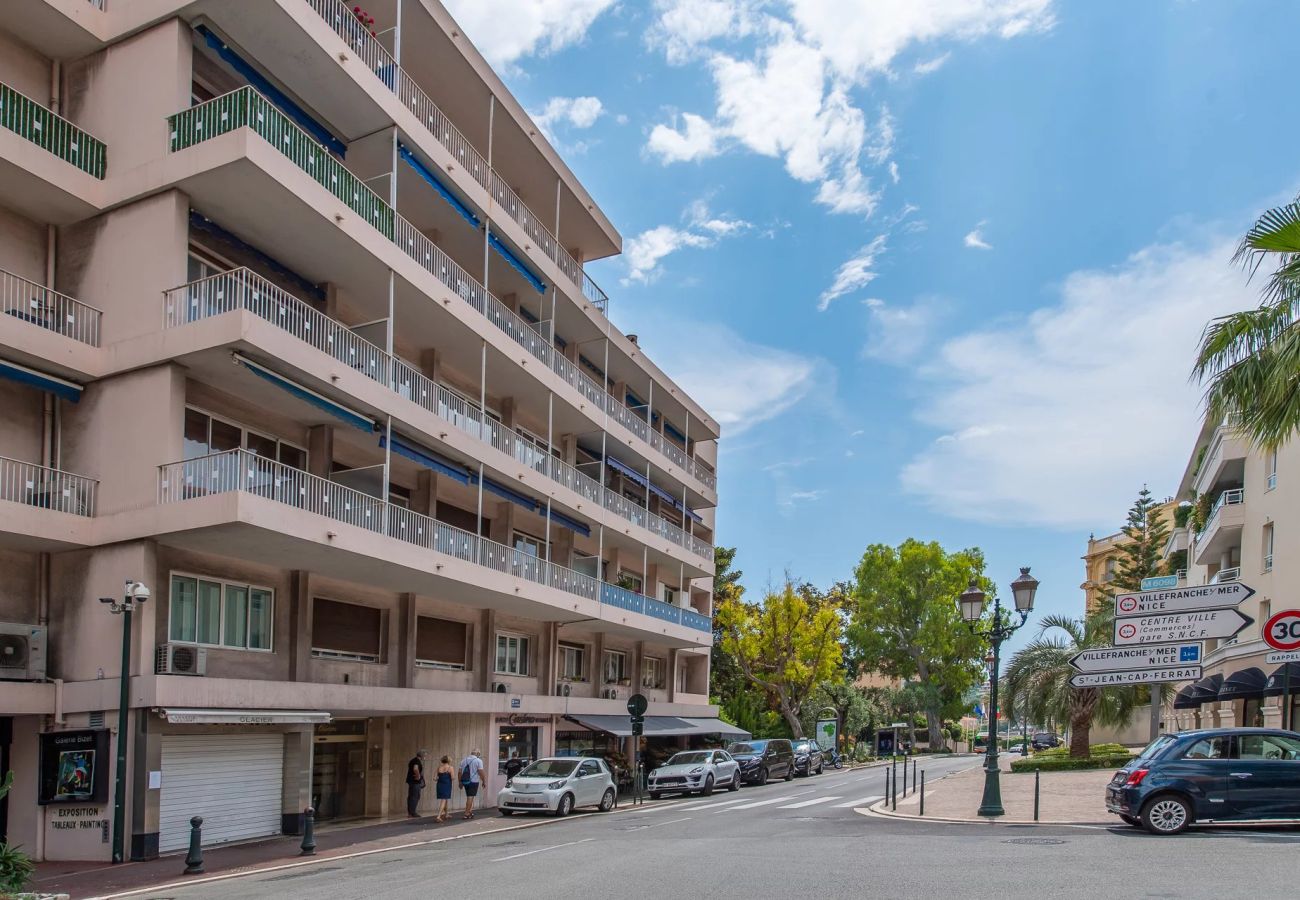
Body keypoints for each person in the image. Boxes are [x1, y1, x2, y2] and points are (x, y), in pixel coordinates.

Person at [459, 749, 486, 819]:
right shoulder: (478, 761)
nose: (479, 756)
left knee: (469, 796)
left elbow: (459, 772)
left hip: (465, 781)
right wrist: (484, 781)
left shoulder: (463, 760)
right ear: (477, 754)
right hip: (473, 781)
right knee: (470, 797)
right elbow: (481, 772)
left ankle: (470, 811)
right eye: (479, 754)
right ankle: (466, 813)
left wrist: (460, 782)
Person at [405, 749, 428, 818]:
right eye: (425, 755)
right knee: (415, 796)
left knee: (411, 796)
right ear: (422, 755)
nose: (425, 757)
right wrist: (418, 776)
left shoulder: (413, 760)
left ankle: (410, 812)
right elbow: (415, 769)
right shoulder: (417, 761)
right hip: (415, 782)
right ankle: (413, 812)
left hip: (411, 781)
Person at [434, 755, 454, 822]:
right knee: (444, 800)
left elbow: (434, 778)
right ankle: (438, 816)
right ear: (449, 760)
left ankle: (446, 814)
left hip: (439, 784)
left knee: (445, 799)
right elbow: (452, 777)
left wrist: (440, 778)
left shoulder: (439, 768)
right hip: (447, 785)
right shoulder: (450, 768)